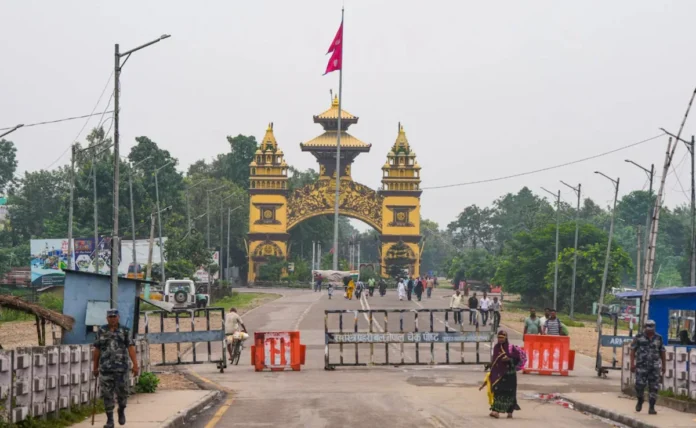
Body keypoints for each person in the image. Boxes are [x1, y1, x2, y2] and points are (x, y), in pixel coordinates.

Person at [92, 309, 139, 428]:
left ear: (118, 317)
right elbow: (97, 349)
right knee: (107, 394)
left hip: (121, 369)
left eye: (114, 316)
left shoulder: (125, 331)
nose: (112, 318)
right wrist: (95, 367)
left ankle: (121, 410)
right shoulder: (101, 331)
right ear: (107, 318)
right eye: (110, 317)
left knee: (122, 393)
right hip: (105, 368)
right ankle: (110, 420)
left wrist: (135, 365)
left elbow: (131, 348)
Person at [630, 320, 666, 414]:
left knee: (653, 387)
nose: (650, 330)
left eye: (651, 328)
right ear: (645, 327)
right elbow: (633, 350)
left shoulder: (659, 338)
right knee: (639, 385)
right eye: (648, 327)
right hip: (641, 366)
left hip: (654, 367)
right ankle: (640, 399)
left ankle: (652, 407)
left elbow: (662, 351)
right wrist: (632, 364)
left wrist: (664, 366)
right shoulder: (639, 337)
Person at [489, 330, 521, 418]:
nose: (500, 339)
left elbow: (517, 358)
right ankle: (496, 411)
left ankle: (510, 411)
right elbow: (495, 360)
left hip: (510, 374)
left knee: (510, 393)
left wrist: (509, 359)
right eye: (499, 337)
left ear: (506, 338)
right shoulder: (496, 347)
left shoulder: (511, 347)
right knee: (498, 391)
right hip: (499, 374)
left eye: (502, 338)